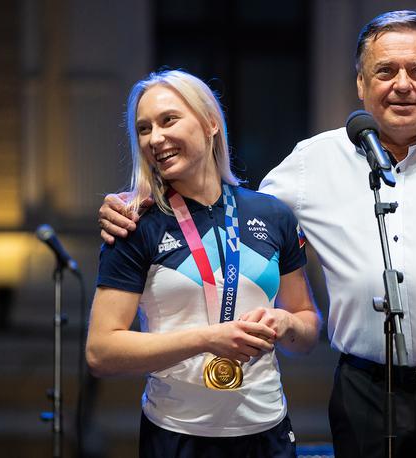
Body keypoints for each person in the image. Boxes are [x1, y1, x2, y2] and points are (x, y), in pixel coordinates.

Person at [98, 11, 416, 458]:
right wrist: (140, 199)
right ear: (362, 84)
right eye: (385, 71)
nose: (402, 84)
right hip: (365, 393)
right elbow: (232, 212)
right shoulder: (312, 163)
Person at [86, 69, 321, 458]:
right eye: (143, 129)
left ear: (211, 123)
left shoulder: (273, 214)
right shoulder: (134, 223)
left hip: (268, 432)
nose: (155, 138)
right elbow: (101, 351)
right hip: (177, 435)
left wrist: (287, 323)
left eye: (168, 120)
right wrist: (206, 339)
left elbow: (307, 328)